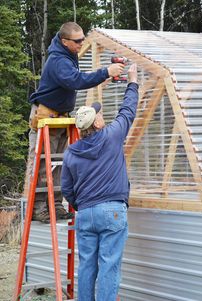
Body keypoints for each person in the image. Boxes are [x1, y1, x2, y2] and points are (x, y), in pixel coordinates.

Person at [26, 22, 124, 223]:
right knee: (45, 165)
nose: (82, 43)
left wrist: (100, 77)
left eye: (82, 39)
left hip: (60, 116)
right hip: (47, 117)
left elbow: (76, 80)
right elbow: (76, 81)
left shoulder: (68, 54)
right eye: (78, 41)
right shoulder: (58, 60)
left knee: (61, 163)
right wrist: (105, 72)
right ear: (64, 41)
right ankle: (38, 209)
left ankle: (56, 206)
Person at [61, 63, 138, 301]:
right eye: (100, 115)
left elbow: (67, 189)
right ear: (95, 123)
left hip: (85, 213)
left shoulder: (71, 153)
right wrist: (132, 81)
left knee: (87, 267)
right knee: (109, 266)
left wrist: (82, 205)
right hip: (112, 212)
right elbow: (128, 111)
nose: (102, 116)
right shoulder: (112, 136)